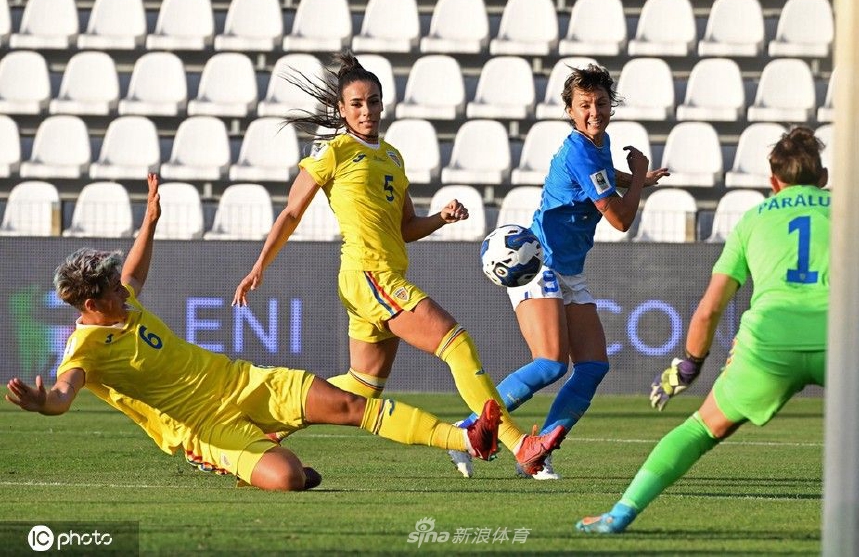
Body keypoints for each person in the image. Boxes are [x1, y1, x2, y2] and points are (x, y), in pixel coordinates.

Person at [4, 173, 504, 492]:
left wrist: (150, 220)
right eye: (112, 289)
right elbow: (65, 396)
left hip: (240, 379)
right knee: (289, 479)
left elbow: (134, 272)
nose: (124, 289)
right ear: (91, 305)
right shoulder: (85, 350)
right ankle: (251, 462)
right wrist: (42, 401)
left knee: (348, 405)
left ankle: (458, 439)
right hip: (204, 428)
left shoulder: (121, 301)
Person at [576, 127, 859, 533]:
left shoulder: (753, 221)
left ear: (773, 183)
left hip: (770, 344)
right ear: (823, 178)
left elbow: (709, 310)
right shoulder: (856, 216)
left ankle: (620, 515)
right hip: (844, 343)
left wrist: (688, 367)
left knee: (699, 429)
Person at [231, 51, 565, 476]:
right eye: (356, 103)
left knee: (360, 387)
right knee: (456, 343)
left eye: (373, 101)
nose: (366, 110)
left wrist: (440, 219)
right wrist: (261, 264)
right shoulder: (334, 152)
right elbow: (292, 212)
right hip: (369, 275)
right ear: (341, 109)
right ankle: (521, 445)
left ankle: (257, 430)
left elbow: (406, 226)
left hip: (382, 277)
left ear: (382, 104)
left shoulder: (392, 156)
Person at [447, 63, 669, 480]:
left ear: (610, 107)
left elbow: (600, 176)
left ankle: (536, 453)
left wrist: (637, 178)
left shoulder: (596, 144)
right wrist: (639, 177)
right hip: (539, 263)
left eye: (601, 103)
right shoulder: (579, 149)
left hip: (570, 270)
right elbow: (621, 220)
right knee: (550, 363)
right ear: (569, 110)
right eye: (584, 105)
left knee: (592, 366)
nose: (594, 112)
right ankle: (466, 430)